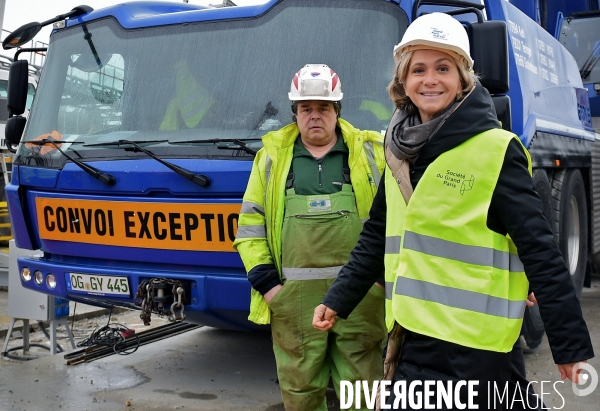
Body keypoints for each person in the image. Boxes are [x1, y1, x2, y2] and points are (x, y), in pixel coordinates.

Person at [313, 13, 594, 410]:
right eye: (419, 69)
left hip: (477, 350)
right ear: (403, 82)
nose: (430, 79)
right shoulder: (397, 152)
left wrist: (568, 344)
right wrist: (339, 298)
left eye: (443, 68)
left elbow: (540, 249)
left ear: (464, 80)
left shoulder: (495, 150)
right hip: (411, 335)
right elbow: (377, 234)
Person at [233, 63, 387, 410]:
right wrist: (270, 287)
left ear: (337, 111)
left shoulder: (370, 154)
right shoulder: (270, 161)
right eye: (306, 108)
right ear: (295, 113)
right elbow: (249, 229)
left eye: (323, 108)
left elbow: (393, 221)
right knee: (300, 394)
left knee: (361, 393)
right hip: (294, 303)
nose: (314, 116)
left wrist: (380, 282)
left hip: (361, 299)